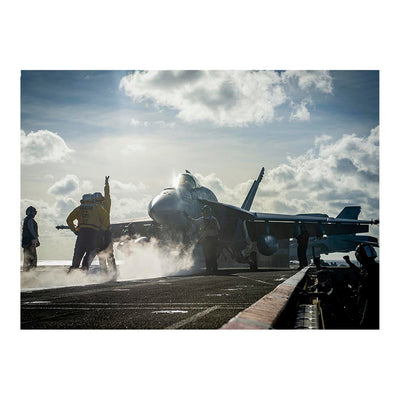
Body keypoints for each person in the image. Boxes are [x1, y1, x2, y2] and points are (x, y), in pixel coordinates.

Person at [66, 193, 108, 272]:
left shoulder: (79, 208)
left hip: (81, 233)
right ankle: (84, 270)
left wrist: (74, 230)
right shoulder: (97, 208)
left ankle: (73, 271)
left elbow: (69, 220)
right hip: (93, 233)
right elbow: (106, 218)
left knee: (78, 253)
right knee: (90, 252)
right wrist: (102, 229)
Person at [343, 243, 379, 329]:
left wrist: (363, 320)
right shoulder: (372, 268)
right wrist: (349, 263)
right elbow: (360, 273)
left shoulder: (370, 272)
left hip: (368, 311)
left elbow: (369, 298)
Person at [93, 176, 117, 278]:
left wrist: (106, 185)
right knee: (103, 255)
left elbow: (107, 196)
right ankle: (109, 274)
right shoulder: (96, 208)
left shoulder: (104, 206)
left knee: (106, 255)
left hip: (103, 233)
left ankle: (110, 274)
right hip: (102, 233)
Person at [185, 205, 220, 274]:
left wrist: (187, 216)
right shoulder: (214, 219)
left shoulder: (201, 219)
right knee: (212, 254)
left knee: (207, 255)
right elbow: (218, 228)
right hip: (213, 239)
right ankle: (214, 268)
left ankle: (209, 269)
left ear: (203, 212)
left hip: (205, 240)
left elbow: (193, 221)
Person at [21, 206, 40, 271]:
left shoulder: (26, 220)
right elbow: (32, 231)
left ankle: (27, 273)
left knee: (27, 259)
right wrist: (37, 239)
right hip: (30, 243)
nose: (35, 214)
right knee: (32, 258)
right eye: (34, 212)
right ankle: (30, 274)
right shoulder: (30, 220)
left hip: (26, 243)